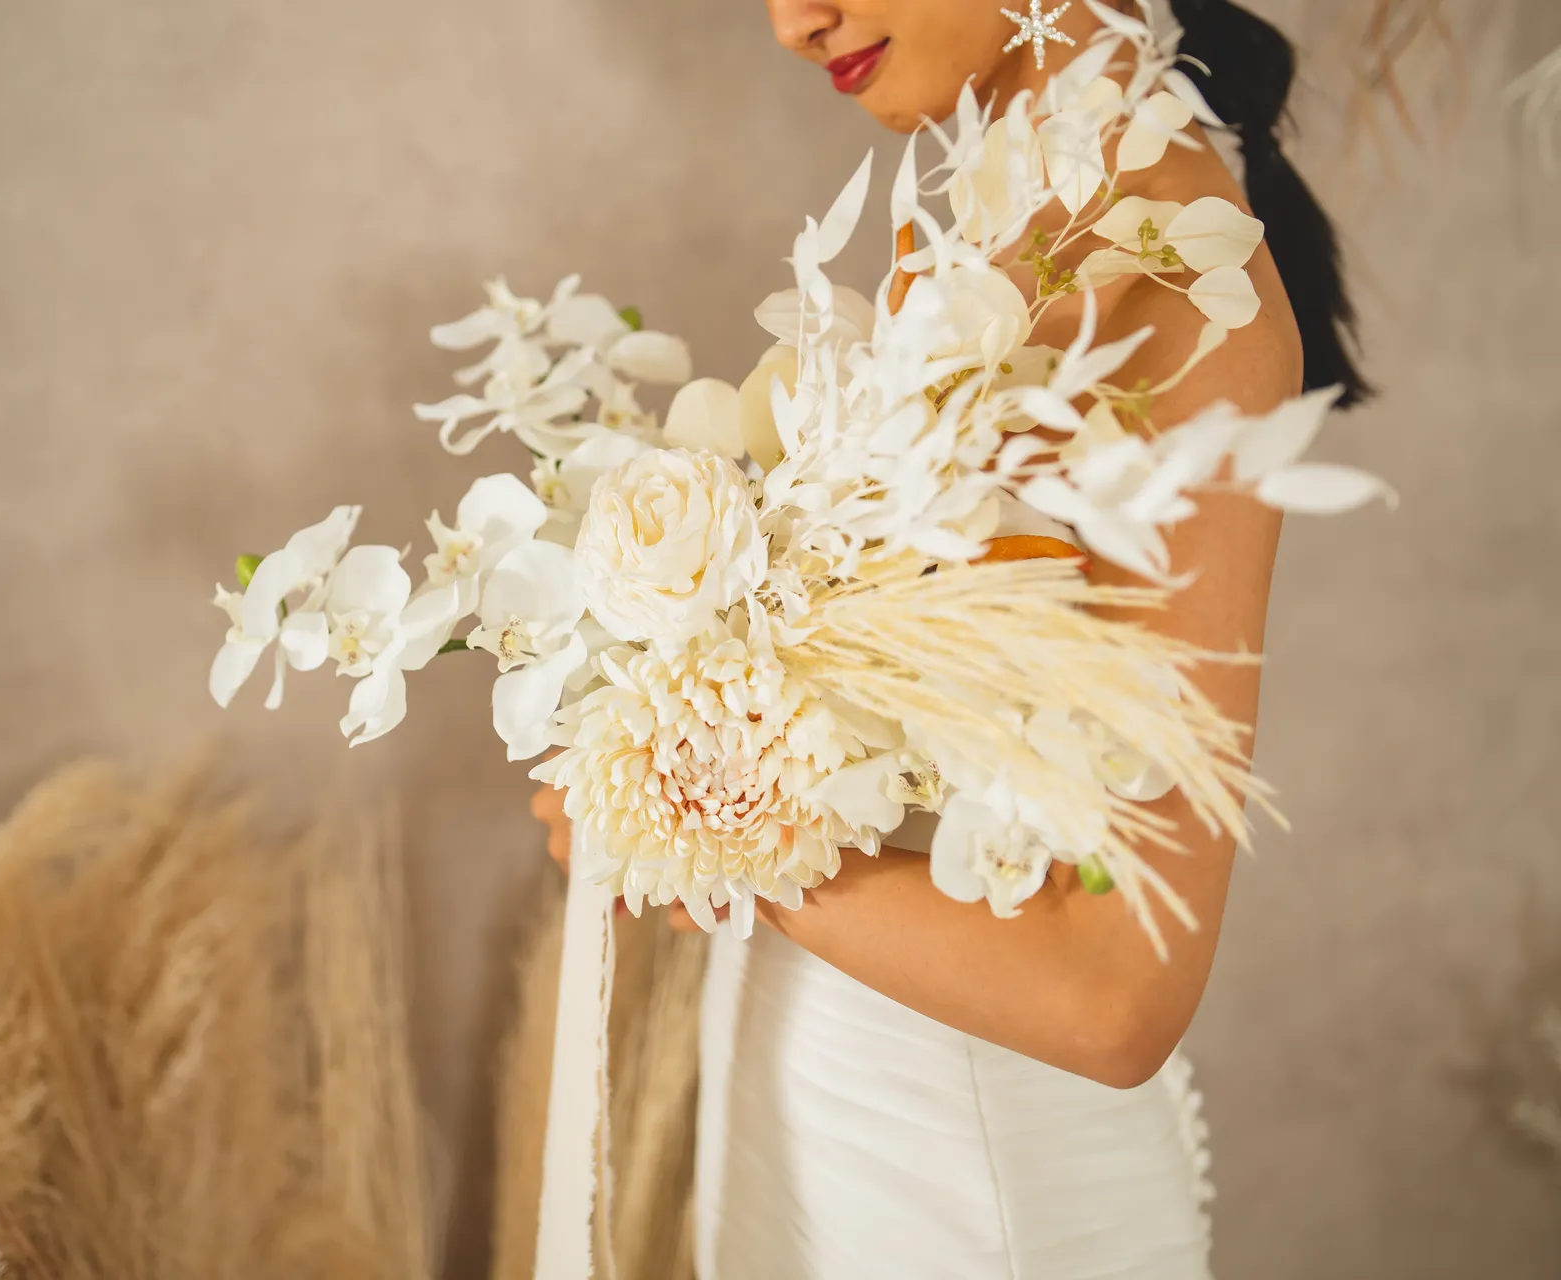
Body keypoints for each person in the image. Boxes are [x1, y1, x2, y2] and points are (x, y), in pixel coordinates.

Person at [532, 0, 1367, 1275]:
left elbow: (1115, 993)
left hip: (971, 1182)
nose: (791, 23)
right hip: (830, 1098)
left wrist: (707, 826)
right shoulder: (999, 219)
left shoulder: (1177, 287)